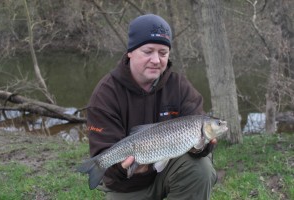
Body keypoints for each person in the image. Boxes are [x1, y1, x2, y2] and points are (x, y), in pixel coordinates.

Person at [86, 14, 217, 200]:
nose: (156, 60)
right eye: (148, 51)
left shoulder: (179, 86)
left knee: (201, 169)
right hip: (127, 185)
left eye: (163, 53)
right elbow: (104, 155)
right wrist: (125, 168)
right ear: (130, 52)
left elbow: (198, 144)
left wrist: (201, 147)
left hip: (168, 172)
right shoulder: (106, 94)